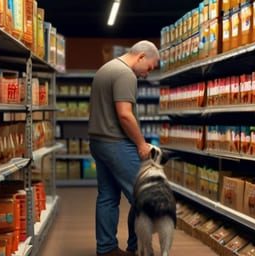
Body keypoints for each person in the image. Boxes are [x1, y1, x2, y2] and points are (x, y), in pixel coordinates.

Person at [88, 40, 160, 256]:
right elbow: (124, 114)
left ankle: (107, 248)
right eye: (149, 67)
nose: (147, 74)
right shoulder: (125, 74)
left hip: (98, 141)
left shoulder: (106, 69)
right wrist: (140, 144)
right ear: (141, 57)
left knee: (108, 197)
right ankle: (138, 248)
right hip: (116, 143)